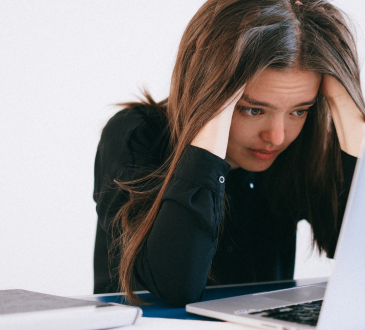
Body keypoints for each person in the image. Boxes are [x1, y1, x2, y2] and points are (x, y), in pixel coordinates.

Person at [93, 0, 365, 307]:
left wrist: (349, 109)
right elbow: (174, 286)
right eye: (252, 109)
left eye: (299, 110)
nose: (276, 137)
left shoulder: (300, 146)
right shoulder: (136, 135)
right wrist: (211, 118)